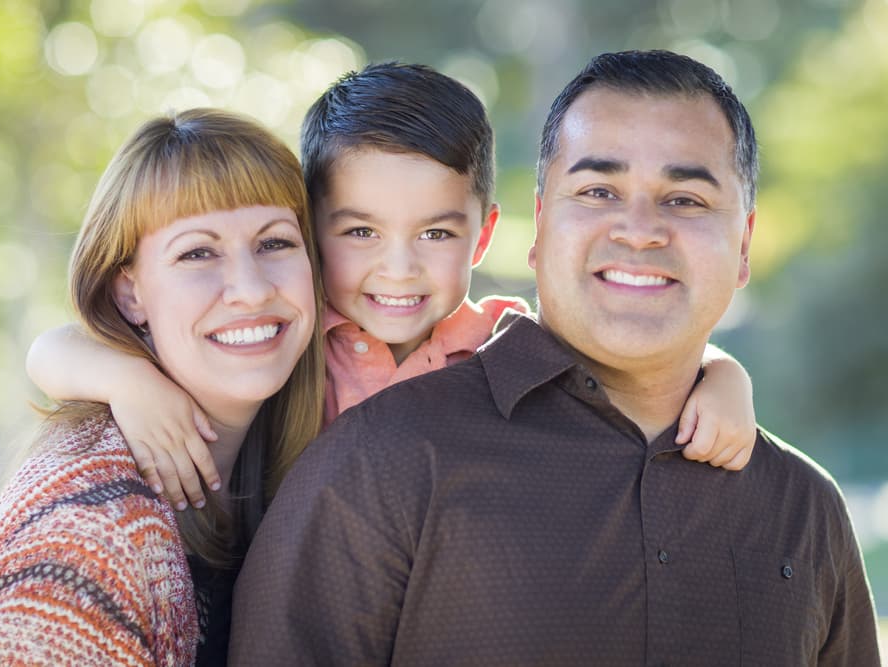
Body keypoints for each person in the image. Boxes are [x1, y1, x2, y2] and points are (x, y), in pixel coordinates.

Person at [227, 51, 882, 665]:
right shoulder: (376, 457)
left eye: (684, 199)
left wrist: (724, 372)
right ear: (538, 229)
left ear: (743, 245)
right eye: (598, 190)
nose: (639, 228)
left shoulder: (805, 510)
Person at [26, 62, 758, 514]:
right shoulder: (288, 345)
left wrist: (725, 377)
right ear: (311, 231)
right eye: (360, 233)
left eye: (436, 235)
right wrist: (129, 382)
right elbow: (52, 349)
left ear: (482, 233)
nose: (399, 270)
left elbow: (625, 370)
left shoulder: (505, 341)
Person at [0, 108, 325, 666]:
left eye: (274, 243)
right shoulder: (85, 537)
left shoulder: (306, 446)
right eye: (197, 252)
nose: (250, 289)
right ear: (131, 294)